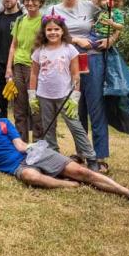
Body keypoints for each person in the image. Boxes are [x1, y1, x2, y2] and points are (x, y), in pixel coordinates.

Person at [0, 100, 129, 202]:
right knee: (30, 176)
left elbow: (20, 145)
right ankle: (69, 184)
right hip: (19, 168)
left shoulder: (3, 123)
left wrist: (32, 146)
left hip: (32, 155)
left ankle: (126, 192)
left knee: (81, 171)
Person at [52, 0, 114, 173]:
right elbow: (50, 35)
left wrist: (110, 40)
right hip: (67, 61)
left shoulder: (90, 6)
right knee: (75, 108)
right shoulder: (54, 9)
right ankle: (82, 152)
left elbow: (111, 23)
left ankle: (100, 156)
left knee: (96, 107)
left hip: (93, 59)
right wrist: (76, 40)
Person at [28, 13, 98, 170]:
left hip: (65, 96)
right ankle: (54, 155)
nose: (53, 32)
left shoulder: (70, 49)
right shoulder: (39, 50)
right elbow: (33, 73)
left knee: (75, 126)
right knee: (49, 127)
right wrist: (32, 95)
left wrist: (75, 96)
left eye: (56, 29)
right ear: (44, 32)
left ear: (62, 31)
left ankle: (91, 158)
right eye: (49, 29)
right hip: (44, 96)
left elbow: (75, 74)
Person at [5, 0, 46, 141]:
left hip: (34, 67)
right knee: (19, 107)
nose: (30, 3)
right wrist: (9, 68)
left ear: (40, 2)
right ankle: (22, 143)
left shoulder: (44, 20)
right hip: (18, 66)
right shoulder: (20, 20)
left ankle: (38, 143)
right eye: (27, 0)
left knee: (34, 105)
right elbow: (13, 45)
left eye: (34, 0)